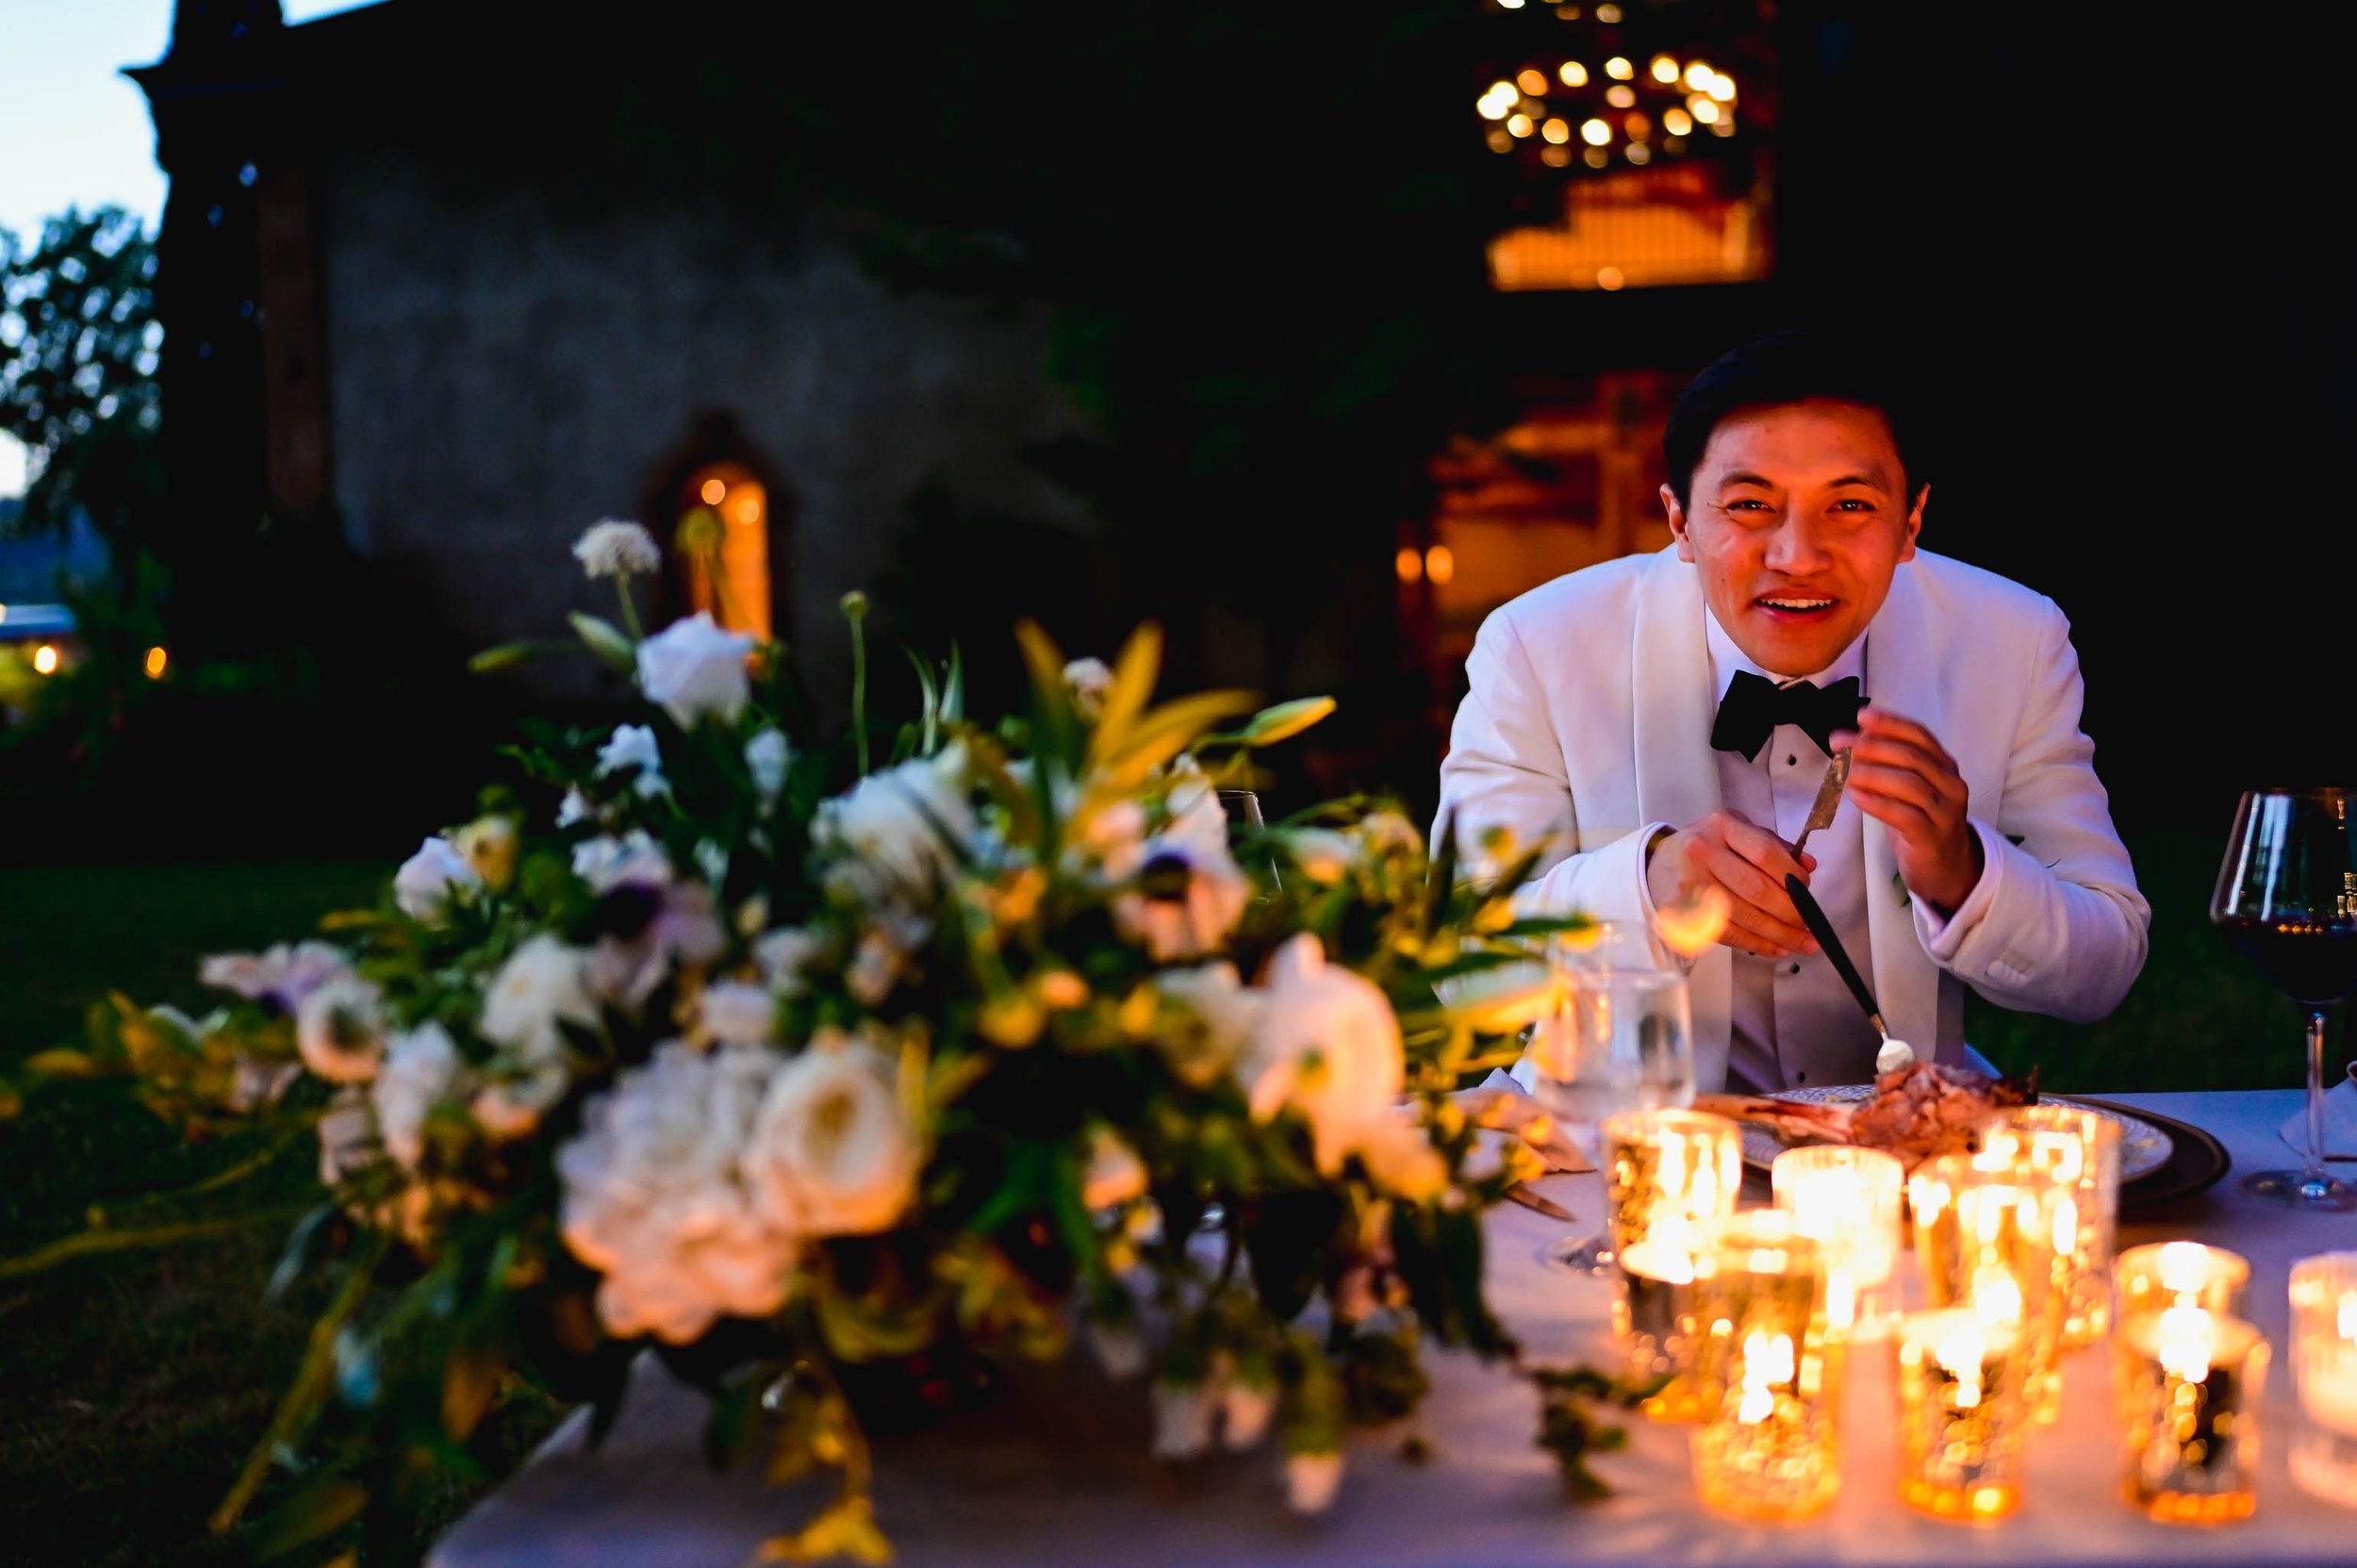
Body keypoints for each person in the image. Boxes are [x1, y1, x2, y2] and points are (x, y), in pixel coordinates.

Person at [1433, 329, 2149, 1095]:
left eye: (1849, 503)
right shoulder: (1537, 647)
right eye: (1749, 504)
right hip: (1611, 1158)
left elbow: (2104, 963)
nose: (1798, 555)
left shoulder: (2013, 639)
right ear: (1679, 521)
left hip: (1901, 1158)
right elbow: (1460, 967)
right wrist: (1644, 889)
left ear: (1911, 521)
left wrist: (1963, 875)